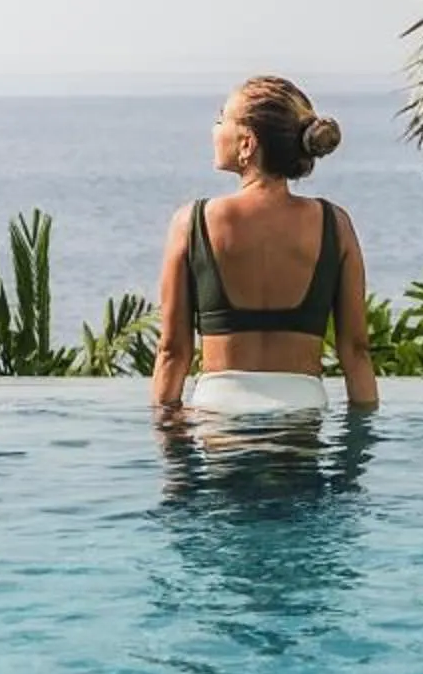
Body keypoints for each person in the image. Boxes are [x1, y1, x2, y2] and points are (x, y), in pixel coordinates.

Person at [152, 77, 379, 425]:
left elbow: (173, 351)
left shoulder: (192, 222)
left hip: (219, 411)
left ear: (247, 143)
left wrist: (165, 438)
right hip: (302, 409)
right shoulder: (335, 224)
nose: (214, 129)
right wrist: (362, 437)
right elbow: (356, 351)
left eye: (220, 118)